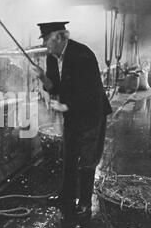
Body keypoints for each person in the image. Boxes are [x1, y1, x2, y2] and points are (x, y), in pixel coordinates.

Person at [34, 22, 112, 217]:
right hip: (71, 114)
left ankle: (85, 202)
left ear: (60, 37)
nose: (45, 44)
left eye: (47, 39)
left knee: (87, 158)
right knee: (69, 155)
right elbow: (56, 88)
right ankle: (66, 195)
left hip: (91, 113)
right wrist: (43, 78)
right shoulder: (52, 58)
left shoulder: (82, 55)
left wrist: (67, 106)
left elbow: (91, 92)